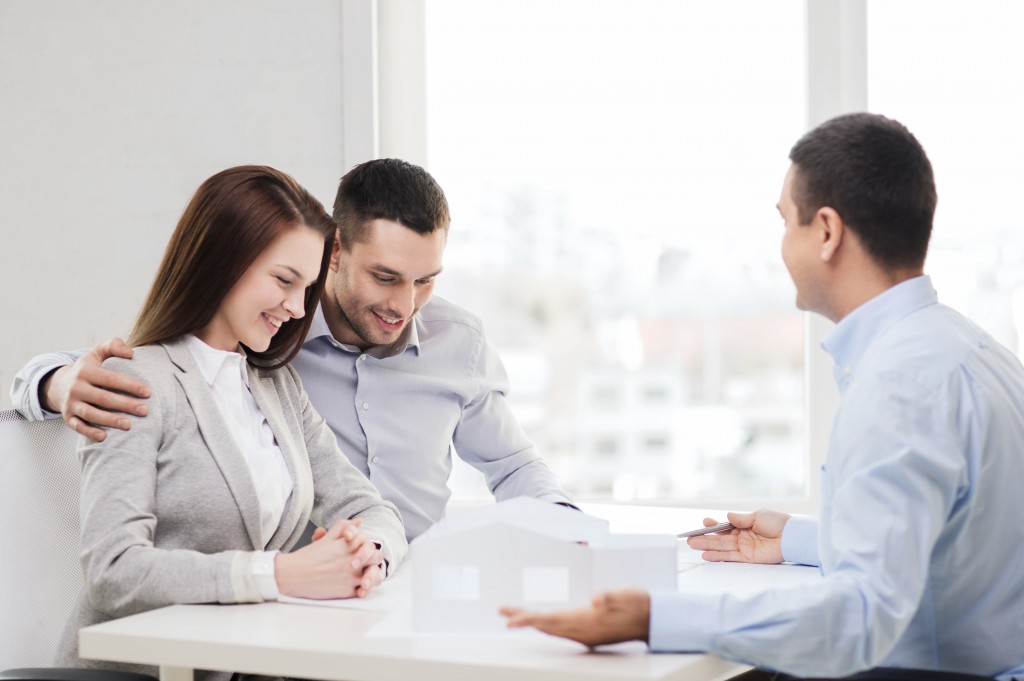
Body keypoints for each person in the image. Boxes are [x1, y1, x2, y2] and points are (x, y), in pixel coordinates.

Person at [500, 113, 1024, 681]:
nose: (782, 247)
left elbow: (859, 619)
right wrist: (797, 538)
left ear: (826, 231)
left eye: (786, 223)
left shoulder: (899, 386)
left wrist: (657, 618)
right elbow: (944, 544)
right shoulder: (971, 352)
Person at [10, 158, 574, 541]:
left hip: (414, 599)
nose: (406, 305)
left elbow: (513, 463)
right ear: (333, 254)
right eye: (385, 277)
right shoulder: (268, 334)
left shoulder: (460, 342)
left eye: (426, 279)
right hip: (294, 609)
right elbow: (157, 359)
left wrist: (568, 533)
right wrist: (56, 384)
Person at [53, 166, 408, 680]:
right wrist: (281, 574)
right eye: (284, 281)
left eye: (306, 288)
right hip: (138, 672)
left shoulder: (277, 389)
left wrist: (365, 554)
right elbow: (115, 570)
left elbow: (369, 508)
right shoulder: (135, 380)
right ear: (222, 260)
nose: (294, 307)